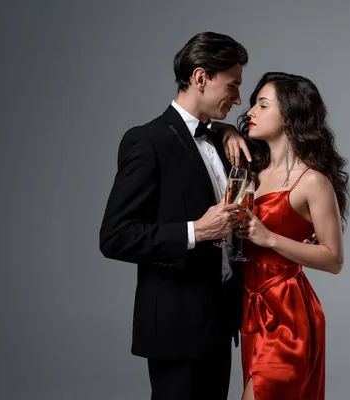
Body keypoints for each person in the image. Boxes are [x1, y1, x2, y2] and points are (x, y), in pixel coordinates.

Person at [99, 32, 248, 400]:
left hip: (220, 323)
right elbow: (115, 236)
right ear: (200, 78)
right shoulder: (147, 141)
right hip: (175, 328)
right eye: (232, 85)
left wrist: (226, 130)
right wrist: (195, 231)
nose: (239, 98)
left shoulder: (219, 138)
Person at [232, 72, 350, 400]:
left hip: (287, 314)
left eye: (262, 104)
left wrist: (269, 238)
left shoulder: (313, 182)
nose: (250, 111)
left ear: (289, 116)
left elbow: (334, 259)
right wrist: (228, 132)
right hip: (251, 312)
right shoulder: (248, 172)